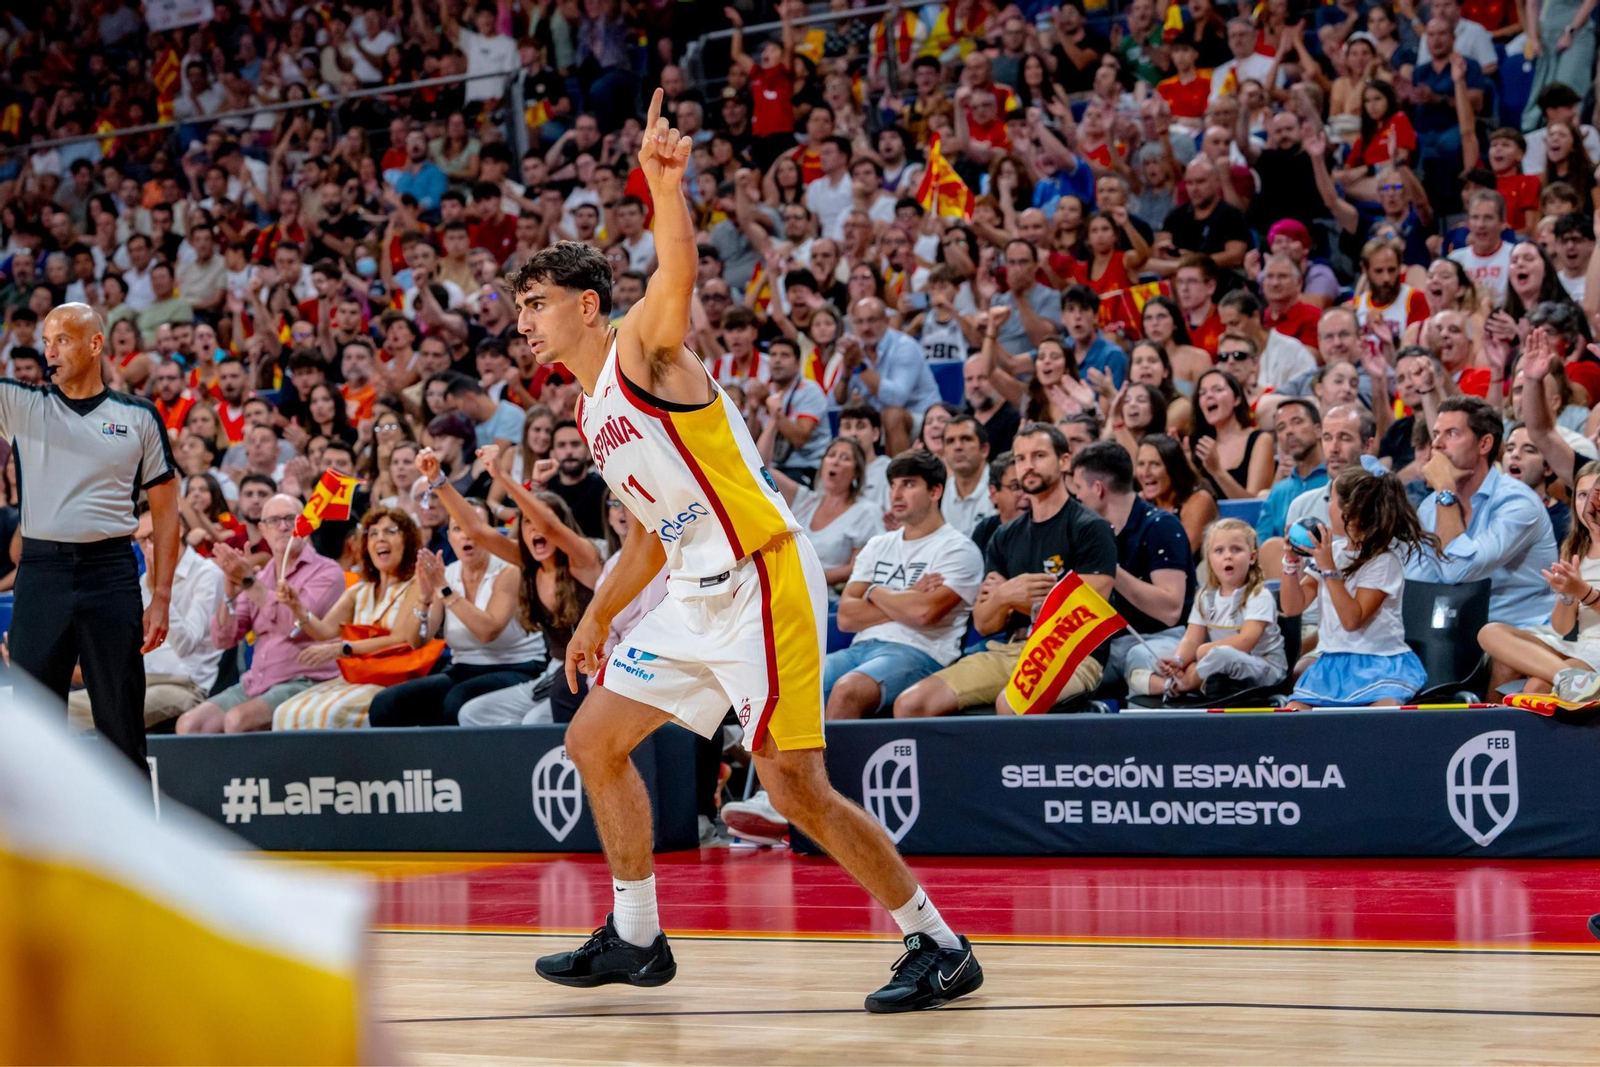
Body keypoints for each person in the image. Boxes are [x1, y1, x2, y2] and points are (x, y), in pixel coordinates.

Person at [511, 95, 983, 1012]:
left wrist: (662, 183)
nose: (523, 320)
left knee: (793, 786)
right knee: (593, 739)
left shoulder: (644, 351)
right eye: (519, 307)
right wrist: (599, 617)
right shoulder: (591, 412)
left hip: (762, 575)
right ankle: (638, 935)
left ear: (587, 304)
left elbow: (676, 271)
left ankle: (938, 941)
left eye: (535, 304)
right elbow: (651, 530)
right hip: (693, 589)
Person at [3, 303, 180, 772]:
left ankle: (136, 845)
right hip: (41, 575)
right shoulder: (22, 404)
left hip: (111, 573)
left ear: (95, 344)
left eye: (61, 340)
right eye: (46, 342)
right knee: (33, 730)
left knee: (122, 728)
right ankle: (38, 845)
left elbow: (165, 514)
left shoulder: (139, 416)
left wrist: (160, 595)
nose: (50, 352)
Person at [895, 423, 1118, 718]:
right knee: (911, 704)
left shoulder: (1090, 528)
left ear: (1064, 461)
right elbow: (985, 623)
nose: (1028, 466)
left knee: (1011, 703)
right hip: (1012, 648)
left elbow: (1083, 615)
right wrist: (1005, 597)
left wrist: (1010, 597)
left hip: (1073, 655)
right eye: (1021, 458)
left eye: (1039, 456)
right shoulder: (1004, 535)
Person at [825, 450, 984, 720]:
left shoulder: (958, 550)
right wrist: (908, 595)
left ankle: (832, 765)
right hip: (861, 648)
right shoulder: (878, 545)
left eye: (908, 484)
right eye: (893, 485)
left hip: (921, 653)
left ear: (935, 491)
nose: (896, 495)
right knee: (789, 685)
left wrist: (874, 591)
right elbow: (846, 617)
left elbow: (924, 614)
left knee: (847, 690)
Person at [366, 496, 549, 728]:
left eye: (472, 526)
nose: (465, 535)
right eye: (457, 529)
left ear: (488, 532)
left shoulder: (509, 571)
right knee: (386, 704)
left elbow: (488, 631)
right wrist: (423, 597)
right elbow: (417, 641)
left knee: (457, 701)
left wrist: (445, 590)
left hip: (518, 667)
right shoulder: (448, 574)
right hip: (463, 669)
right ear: (450, 537)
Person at [176, 495, 347, 734]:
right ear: (263, 530)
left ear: (308, 524)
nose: (284, 527)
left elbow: (294, 626)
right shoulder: (264, 575)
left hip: (306, 680)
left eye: (291, 519)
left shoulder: (327, 572)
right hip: (257, 682)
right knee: (190, 725)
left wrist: (249, 582)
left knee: (237, 721)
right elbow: (223, 638)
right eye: (274, 521)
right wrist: (229, 592)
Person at [1281, 468, 1434, 707]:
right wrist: (1291, 562)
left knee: (1381, 715)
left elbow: (1352, 620)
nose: (1327, 506)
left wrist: (1328, 568)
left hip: (1380, 664)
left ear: (1351, 514)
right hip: (1331, 665)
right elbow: (1292, 606)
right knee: (1293, 713)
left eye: (1331, 500)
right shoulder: (1331, 553)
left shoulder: (1384, 561)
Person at [66, 505, 226, 733]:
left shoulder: (207, 575)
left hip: (186, 684)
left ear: (178, 529)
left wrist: (161, 596)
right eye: (140, 540)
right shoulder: (144, 581)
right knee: (54, 705)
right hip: (143, 678)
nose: (147, 547)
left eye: (151, 537)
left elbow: (187, 644)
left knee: (87, 710)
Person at [1405, 395, 1559, 628]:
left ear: (1484, 444)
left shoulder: (1517, 503)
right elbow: (1417, 580)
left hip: (1523, 630)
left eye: (1452, 434)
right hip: (1458, 631)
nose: (1437, 444)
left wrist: (1446, 490)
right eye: (1436, 434)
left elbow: (1456, 572)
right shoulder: (1430, 505)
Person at [270, 507, 426, 730]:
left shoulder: (417, 585)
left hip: (394, 677)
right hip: (357, 676)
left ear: (408, 541)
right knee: (286, 712)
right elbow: (323, 631)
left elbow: (400, 639)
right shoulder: (359, 591)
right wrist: (298, 608)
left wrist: (341, 649)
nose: (380, 538)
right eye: (373, 533)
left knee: (330, 714)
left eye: (390, 531)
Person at [1070, 441, 1195, 689]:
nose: (1077, 497)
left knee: (1130, 664)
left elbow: (1170, 611)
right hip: (1110, 644)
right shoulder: (1088, 533)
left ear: (1098, 489)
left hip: (1160, 641)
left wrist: (1107, 568)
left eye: (1078, 488)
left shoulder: (1161, 527)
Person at [1478, 461, 1600, 698]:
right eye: (1582, 495)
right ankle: (1567, 677)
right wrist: (1566, 595)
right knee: (1490, 632)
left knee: (1536, 688)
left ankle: (1567, 681)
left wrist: (1583, 591)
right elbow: (1563, 627)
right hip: (1579, 646)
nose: (1589, 504)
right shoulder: (1574, 548)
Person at [1129, 519, 1287, 698]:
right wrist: (1179, 661)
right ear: (1209, 559)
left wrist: (1204, 653)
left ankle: (1186, 683)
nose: (1228, 556)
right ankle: (1183, 681)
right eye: (1219, 551)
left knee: (1221, 655)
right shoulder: (1205, 596)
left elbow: (1246, 641)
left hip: (1263, 666)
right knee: (1147, 653)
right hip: (1216, 664)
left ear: (1252, 557)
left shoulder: (1259, 595)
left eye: (1236, 549)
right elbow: (1191, 639)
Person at [770, 438, 886, 596]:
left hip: (827, 597)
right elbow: (760, 468)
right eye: (832, 455)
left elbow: (859, 567)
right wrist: (773, 421)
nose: (836, 462)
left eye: (845, 458)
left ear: (856, 472)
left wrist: (808, 579)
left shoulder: (867, 511)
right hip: (786, 588)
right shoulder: (805, 500)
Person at [1256, 399, 1327, 541]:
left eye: (1297, 421)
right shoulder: (1277, 492)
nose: (1289, 431)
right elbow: (1262, 547)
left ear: (1318, 430)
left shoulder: (1337, 481)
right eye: (1281, 427)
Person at [1135, 433, 1218, 554]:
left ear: (1173, 469)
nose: (1145, 472)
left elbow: (1181, 555)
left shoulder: (1199, 501)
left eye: (1155, 464)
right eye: (1141, 464)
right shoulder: (1140, 502)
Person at [940, 414, 998, 537]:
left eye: (966, 439)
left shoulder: (1002, 488)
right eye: (950, 441)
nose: (958, 447)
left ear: (984, 449)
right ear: (944, 452)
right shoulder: (938, 494)